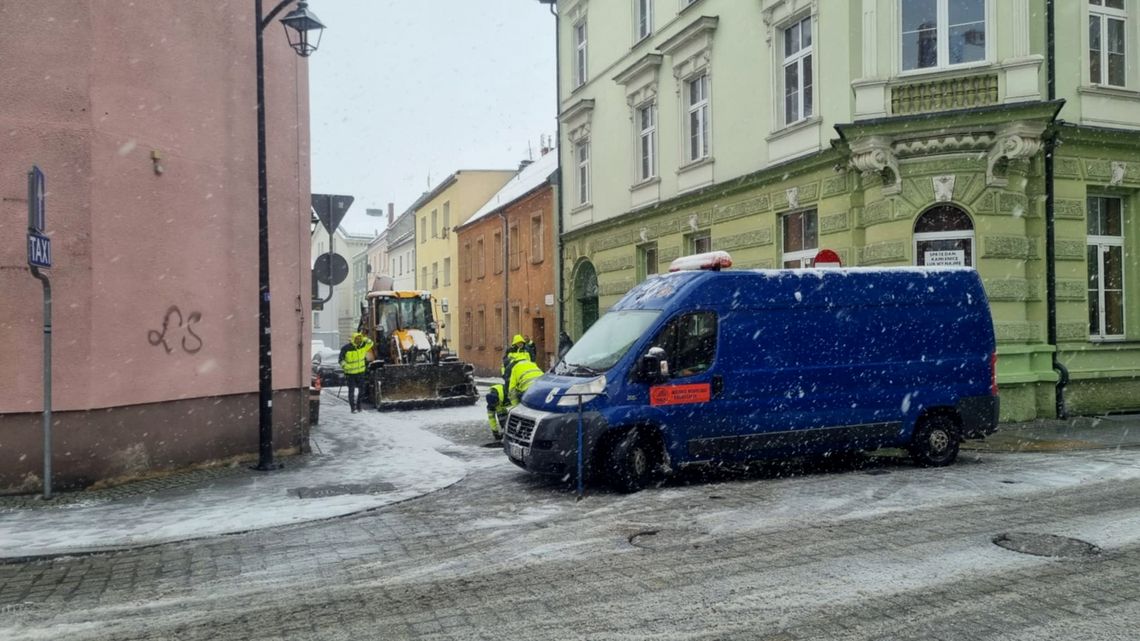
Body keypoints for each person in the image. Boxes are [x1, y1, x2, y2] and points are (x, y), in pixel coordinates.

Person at [339, 332, 373, 413]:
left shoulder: (363, 347)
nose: (359, 340)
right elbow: (340, 360)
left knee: (362, 390)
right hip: (350, 374)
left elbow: (371, 343)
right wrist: (346, 367)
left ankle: (359, 406)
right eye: (357, 339)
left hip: (360, 373)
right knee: (351, 391)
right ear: (353, 339)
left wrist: (364, 338)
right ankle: (353, 408)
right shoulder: (346, 348)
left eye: (360, 339)